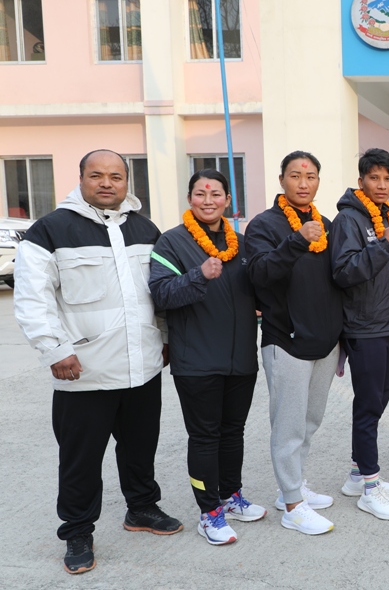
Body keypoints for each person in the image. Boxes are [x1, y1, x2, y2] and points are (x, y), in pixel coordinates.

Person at [14, 149, 182, 575]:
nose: (107, 183)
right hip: (83, 369)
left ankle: (141, 509)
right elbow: (33, 299)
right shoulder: (49, 230)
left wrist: (163, 340)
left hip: (141, 367)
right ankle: (76, 531)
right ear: (81, 179)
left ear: (128, 182)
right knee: (80, 459)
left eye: (116, 176)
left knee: (140, 448)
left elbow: (158, 292)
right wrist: (54, 350)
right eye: (97, 175)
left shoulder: (146, 229)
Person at [149, 169, 266, 545]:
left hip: (240, 359)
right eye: (201, 193)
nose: (209, 199)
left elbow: (260, 287)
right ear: (190, 199)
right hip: (197, 362)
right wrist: (198, 275)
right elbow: (161, 295)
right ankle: (208, 510)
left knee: (233, 433)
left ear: (228, 201)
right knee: (204, 437)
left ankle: (231, 495)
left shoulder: (242, 243)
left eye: (216, 193)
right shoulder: (171, 242)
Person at [245, 150, 343, 536]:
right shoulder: (265, 225)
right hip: (285, 340)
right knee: (287, 426)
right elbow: (259, 275)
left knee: (309, 420)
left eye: (311, 176)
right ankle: (292, 504)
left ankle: (295, 483)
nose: (304, 183)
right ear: (282, 179)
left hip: (324, 340)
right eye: (295, 175)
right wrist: (296, 242)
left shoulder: (327, 223)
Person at [330, 148, 389, 520]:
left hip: (388, 324)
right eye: (374, 178)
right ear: (361, 181)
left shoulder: (383, 216)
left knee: (377, 401)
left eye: (387, 178)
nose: (381, 184)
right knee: (368, 404)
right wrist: (384, 245)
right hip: (365, 327)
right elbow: (344, 272)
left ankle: (357, 474)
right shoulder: (348, 219)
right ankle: (371, 488)